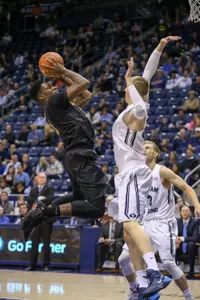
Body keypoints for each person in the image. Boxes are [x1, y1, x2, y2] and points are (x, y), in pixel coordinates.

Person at [110, 36, 181, 298]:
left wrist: (130, 83)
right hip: (134, 177)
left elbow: (138, 102)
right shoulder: (139, 105)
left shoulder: (135, 111)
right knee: (129, 234)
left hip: (130, 174)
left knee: (129, 224)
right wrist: (160, 46)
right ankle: (143, 285)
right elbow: (147, 76)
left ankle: (153, 272)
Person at [22, 61, 107, 240]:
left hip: (75, 155)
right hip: (79, 154)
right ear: (42, 96)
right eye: (48, 86)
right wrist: (63, 70)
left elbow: (87, 94)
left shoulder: (61, 106)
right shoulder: (54, 102)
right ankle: (45, 212)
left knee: (78, 195)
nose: (52, 85)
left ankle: (40, 212)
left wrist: (63, 76)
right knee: (97, 208)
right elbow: (84, 83)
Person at [118, 141, 199, 300]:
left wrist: (196, 204)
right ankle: (136, 291)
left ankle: (188, 296)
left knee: (168, 263)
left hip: (163, 223)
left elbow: (186, 187)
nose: (144, 150)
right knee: (123, 259)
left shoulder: (162, 171)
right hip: (144, 223)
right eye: (142, 148)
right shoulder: (137, 175)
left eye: (148, 148)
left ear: (156, 154)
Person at [176, 205, 199, 279]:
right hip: (179, 245)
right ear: (180, 213)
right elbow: (174, 234)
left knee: (191, 244)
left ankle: (191, 269)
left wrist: (182, 239)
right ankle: (174, 269)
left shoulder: (195, 222)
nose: (185, 212)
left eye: (187, 211)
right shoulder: (177, 221)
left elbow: (195, 238)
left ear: (190, 212)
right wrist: (176, 240)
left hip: (191, 247)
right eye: (183, 211)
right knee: (173, 243)